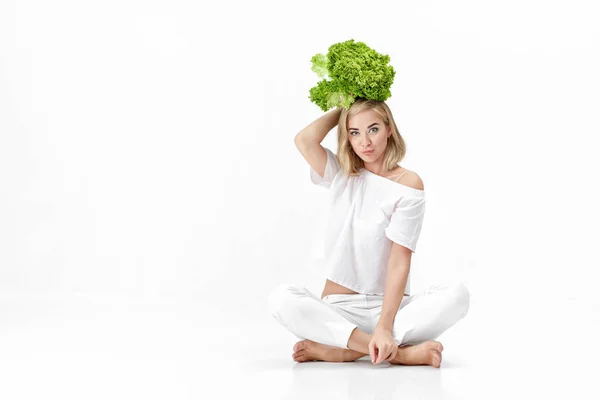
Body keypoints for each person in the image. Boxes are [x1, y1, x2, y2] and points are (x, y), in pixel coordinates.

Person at [268, 98, 470, 367]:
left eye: (373, 129)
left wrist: (385, 327)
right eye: (355, 132)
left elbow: (400, 259)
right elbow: (304, 140)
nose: (365, 141)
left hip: (389, 311)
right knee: (282, 299)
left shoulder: (408, 184)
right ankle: (394, 352)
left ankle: (344, 349)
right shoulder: (341, 173)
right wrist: (346, 105)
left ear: (389, 129)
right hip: (338, 311)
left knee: (457, 295)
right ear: (347, 137)